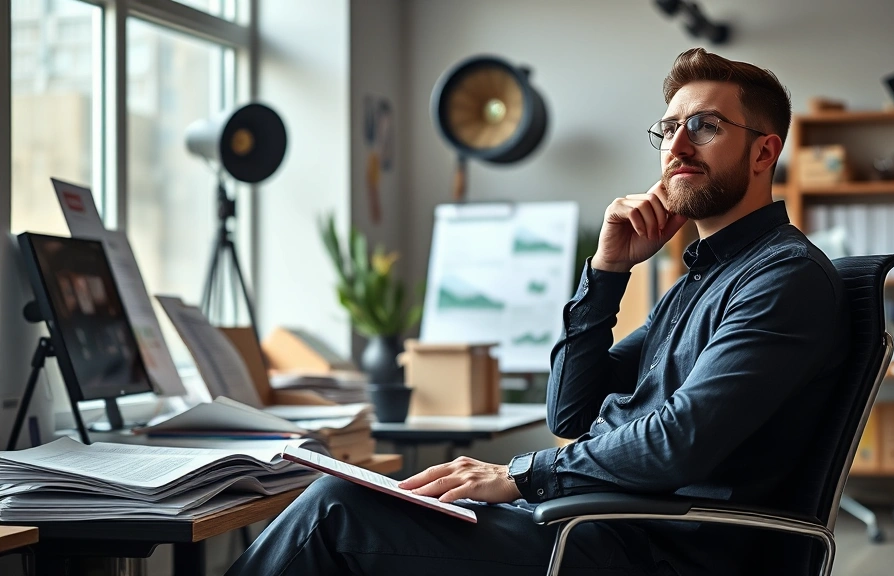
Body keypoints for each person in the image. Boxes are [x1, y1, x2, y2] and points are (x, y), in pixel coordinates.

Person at [226, 47, 850, 576]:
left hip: (650, 546)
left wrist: (520, 474)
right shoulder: (704, 278)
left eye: (706, 126)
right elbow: (572, 411)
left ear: (764, 153)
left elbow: (677, 445)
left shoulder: (781, 279)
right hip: (595, 520)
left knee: (336, 511)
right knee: (355, 498)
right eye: (669, 128)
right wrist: (607, 273)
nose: (676, 146)